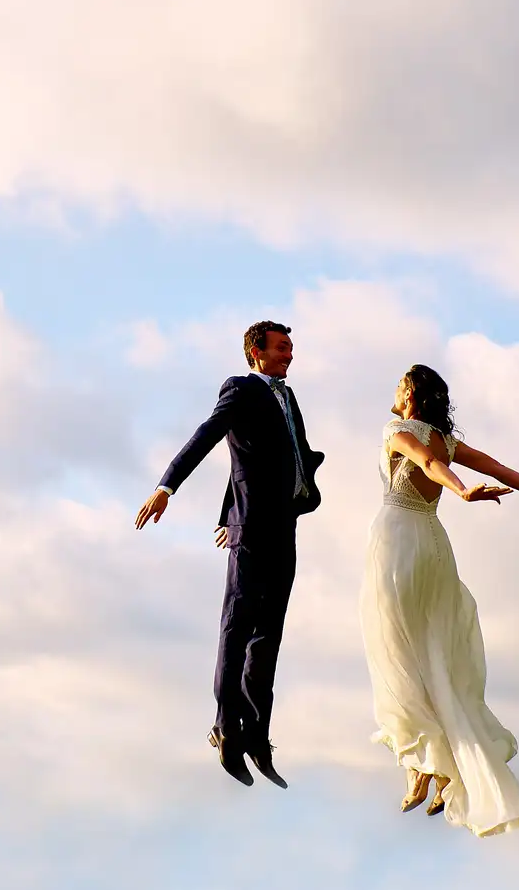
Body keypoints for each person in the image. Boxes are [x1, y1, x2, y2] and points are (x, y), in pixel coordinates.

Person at [362, 363, 519, 833]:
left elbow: (429, 466)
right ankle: (437, 766)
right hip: (433, 546)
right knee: (431, 654)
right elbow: (500, 468)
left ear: (408, 394)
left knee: (396, 654)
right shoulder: (447, 441)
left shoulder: (398, 430)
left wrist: (463, 491)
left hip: (398, 544)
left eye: (397, 384)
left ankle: (423, 763)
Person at [134, 320, 324, 788]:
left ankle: (258, 735)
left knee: (269, 637)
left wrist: (228, 510)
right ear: (255, 352)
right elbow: (209, 436)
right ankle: (226, 729)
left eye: (291, 349)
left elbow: (250, 460)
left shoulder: (287, 397)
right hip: (253, 532)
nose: (289, 356)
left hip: (284, 527)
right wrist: (167, 486)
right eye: (281, 348)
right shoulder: (240, 389)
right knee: (237, 630)